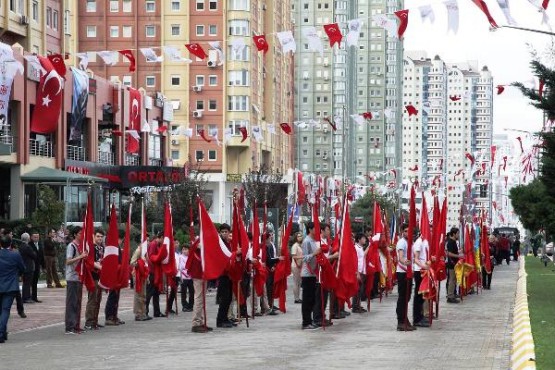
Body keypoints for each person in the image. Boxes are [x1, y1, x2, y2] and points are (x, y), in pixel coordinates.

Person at [0, 236, 26, 343]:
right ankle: (1, 333)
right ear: (10, 244)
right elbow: (23, 268)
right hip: (10, 286)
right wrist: (17, 274)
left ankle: (3, 333)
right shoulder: (15, 254)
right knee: (5, 310)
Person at [65, 227, 88, 334]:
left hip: (79, 277)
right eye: (80, 233)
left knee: (77, 303)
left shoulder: (80, 246)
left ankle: (75, 325)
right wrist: (81, 257)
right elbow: (68, 261)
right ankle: (69, 326)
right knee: (71, 303)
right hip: (72, 278)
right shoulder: (72, 246)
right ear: (75, 235)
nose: (82, 235)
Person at [301, 222, 321, 330]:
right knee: (307, 299)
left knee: (312, 299)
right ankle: (306, 322)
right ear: (310, 229)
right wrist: (314, 254)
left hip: (313, 273)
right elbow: (304, 258)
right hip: (307, 273)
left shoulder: (315, 241)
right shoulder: (306, 241)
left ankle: (310, 320)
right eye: (315, 229)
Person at [216, 224, 237, 328]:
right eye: (222, 232)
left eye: (226, 232)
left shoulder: (229, 243)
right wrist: (235, 253)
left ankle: (225, 318)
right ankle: (220, 320)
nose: (224, 233)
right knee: (224, 298)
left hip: (230, 274)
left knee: (229, 298)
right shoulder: (220, 244)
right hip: (223, 274)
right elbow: (225, 257)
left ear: (229, 232)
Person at [395, 224, 415, 331]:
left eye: (410, 231)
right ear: (402, 232)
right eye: (406, 231)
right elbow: (401, 257)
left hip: (408, 272)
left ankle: (404, 318)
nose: (408, 233)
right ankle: (400, 321)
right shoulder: (402, 242)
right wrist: (405, 262)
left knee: (407, 297)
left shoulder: (409, 242)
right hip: (403, 272)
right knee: (402, 297)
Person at [84, 229, 104, 330]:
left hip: (100, 276)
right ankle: (89, 321)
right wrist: (101, 267)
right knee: (92, 299)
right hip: (93, 276)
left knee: (98, 299)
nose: (100, 238)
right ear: (94, 237)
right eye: (98, 236)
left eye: (101, 236)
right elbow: (90, 261)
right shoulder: (91, 248)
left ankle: (95, 320)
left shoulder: (102, 248)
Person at [104, 231, 125, 326]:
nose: (121, 241)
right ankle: (109, 316)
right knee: (112, 296)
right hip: (114, 275)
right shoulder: (113, 248)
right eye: (121, 239)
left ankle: (114, 315)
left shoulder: (118, 248)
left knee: (116, 297)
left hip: (118, 275)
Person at [145, 232, 166, 318]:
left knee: (156, 293)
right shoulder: (153, 244)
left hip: (156, 272)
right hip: (152, 272)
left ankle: (156, 312)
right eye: (163, 239)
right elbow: (151, 257)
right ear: (161, 237)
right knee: (149, 293)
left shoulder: (157, 245)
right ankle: (144, 312)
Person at [412, 232, 430, 327]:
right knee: (418, 295)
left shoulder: (426, 241)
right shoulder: (419, 242)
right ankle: (416, 319)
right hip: (419, 271)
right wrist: (424, 266)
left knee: (422, 296)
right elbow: (416, 259)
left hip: (425, 271)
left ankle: (421, 316)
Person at [131, 238, 151, 322]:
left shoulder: (145, 252)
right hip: (138, 275)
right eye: (147, 240)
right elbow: (132, 262)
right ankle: (138, 314)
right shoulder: (139, 250)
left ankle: (143, 313)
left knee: (143, 295)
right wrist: (139, 264)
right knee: (138, 295)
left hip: (144, 275)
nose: (149, 242)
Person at [265, 232, 280, 316]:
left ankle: (271, 304)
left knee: (270, 288)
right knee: (268, 289)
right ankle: (268, 305)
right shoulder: (266, 246)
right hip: (267, 269)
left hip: (271, 268)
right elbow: (268, 259)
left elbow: (273, 256)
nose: (271, 237)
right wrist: (278, 259)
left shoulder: (271, 245)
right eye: (270, 236)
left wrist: (274, 264)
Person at [19, 233, 37, 304]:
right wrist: (35, 252)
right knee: (27, 283)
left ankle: (25, 297)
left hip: (24, 266)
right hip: (29, 267)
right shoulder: (27, 247)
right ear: (28, 238)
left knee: (25, 283)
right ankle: (26, 297)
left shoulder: (21, 246)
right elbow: (34, 255)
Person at [352, 233, 368, 313]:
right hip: (358, 271)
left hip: (362, 271)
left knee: (360, 290)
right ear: (359, 239)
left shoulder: (360, 248)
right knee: (357, 290)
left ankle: (358, 305)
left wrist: (370, 246)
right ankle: (355, 306)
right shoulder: (356, 248)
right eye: (363, 238)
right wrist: (357, 272)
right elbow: (355, 261)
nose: (365, 240)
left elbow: (363, 256)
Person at [446, 227, 463, 304]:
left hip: (455, 264)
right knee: (452, 280)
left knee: (454, 280)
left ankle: (453, 294)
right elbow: (449, 253)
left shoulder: (453, 242)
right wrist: (458, 256)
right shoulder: (450, 242)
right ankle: (450, 296)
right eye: (457, 233)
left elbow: (454, 252)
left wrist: (459, 251)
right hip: (451, 264)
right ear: (454, 234)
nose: (458, 235)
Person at [30, 232, 44, 302]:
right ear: (31, 237)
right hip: (31, 266)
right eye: (35, 237)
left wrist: (43, 266)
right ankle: (28, 296)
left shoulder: (40, 245)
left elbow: (42, 256)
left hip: (37, 266)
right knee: (30, 282)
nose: (36, 238)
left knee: (35, 282)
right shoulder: (29, 245)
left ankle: (34, 297)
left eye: (37, 237)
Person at [179, 245, 194, 312]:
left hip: (191, 277)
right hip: (184, 277)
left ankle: (191, 305)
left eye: (186, 249)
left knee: (192, 292)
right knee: (184, 293)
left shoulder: (191, 257)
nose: (184, 251)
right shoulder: (180, 257)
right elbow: (180, 268)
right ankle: (184, 306)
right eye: (183, 249)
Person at [290, 232, 303, 304]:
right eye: (298, 236)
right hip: (296, 265)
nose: (300, 237)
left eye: (301, 236)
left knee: (298, 282)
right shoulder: (295, 246)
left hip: (300, 265)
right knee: (296, 282)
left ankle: (298, 297)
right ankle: (296, 298)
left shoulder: (300, 245)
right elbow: (294, 256)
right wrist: (302, 257)